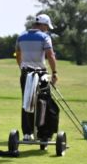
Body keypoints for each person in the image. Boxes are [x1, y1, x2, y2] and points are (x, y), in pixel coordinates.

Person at [15, 14, 58, 142]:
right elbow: (50, 55)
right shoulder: (45, 37)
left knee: (27, 102)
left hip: (25, 73)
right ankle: (44, 133)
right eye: (47, 26)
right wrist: (55, 72)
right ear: (43, 25)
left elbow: (18, 54)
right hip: (40, 75)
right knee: (43, 102)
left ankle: (27, 133)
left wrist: (21, 67)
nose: (47, 29)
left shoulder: (21, 37)